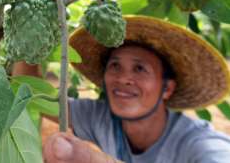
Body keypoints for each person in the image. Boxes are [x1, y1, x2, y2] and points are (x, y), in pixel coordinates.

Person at [40, 15, 230, 162]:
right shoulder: (101, 118)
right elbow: (36, 97)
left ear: (167, 88)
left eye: (140, 68)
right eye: (115, 66)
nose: (123, 78)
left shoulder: (196, 143)